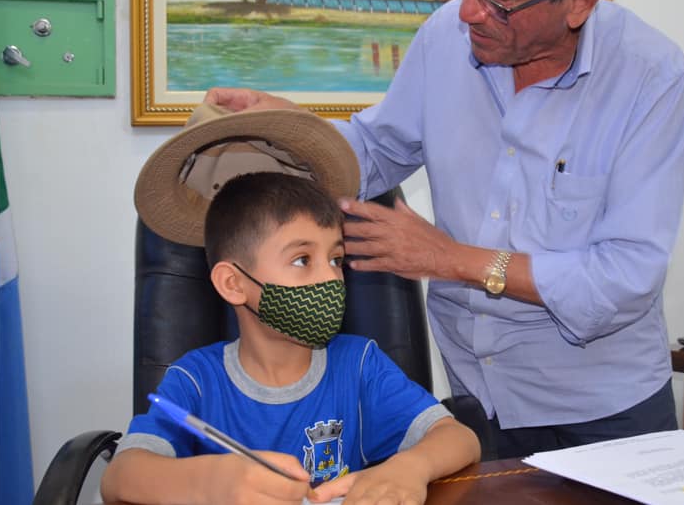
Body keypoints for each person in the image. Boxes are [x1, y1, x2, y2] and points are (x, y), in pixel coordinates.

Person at [206, 0, 684, 459]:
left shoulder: (652, 79)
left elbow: (622, 279)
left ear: (578, 2)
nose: (468, 11)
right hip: (475, 394)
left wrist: (449, 259)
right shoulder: (445, 39)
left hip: (603, 409)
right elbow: (377, 149)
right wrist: (293, 128)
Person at [101, 172, 479, 505]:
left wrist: (410, 467)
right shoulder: (196, 380)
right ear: (234, 284)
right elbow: (119, 480)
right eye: (302, 260)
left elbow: (460, 439)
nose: (330, 280)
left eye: (335, 260)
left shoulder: (358, 364)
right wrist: (210, 483)